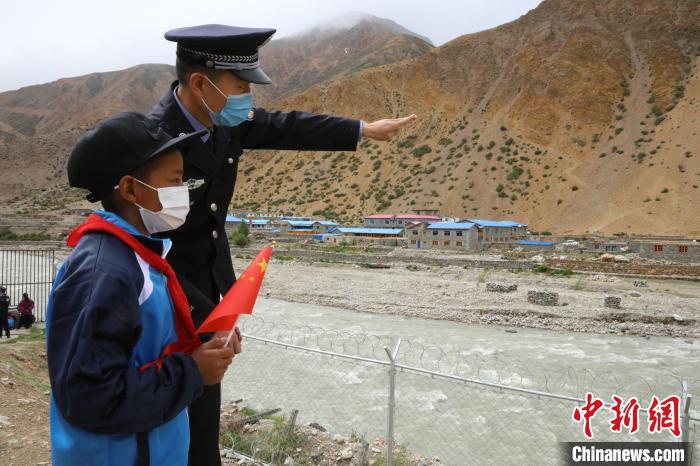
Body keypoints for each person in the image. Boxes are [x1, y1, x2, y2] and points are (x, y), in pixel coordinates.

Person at [149, 24, 417, 465]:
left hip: (211, 300)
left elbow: (286, 126)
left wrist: (362, 129)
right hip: (169, 305)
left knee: (203, 425)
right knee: (168, 418)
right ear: (201, 83)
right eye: (240, 87)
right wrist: (206, 318)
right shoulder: (156, 142)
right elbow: (151, 245)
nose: (247, 99)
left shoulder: (219, 120)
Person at [47, 112, 241, 466]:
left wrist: (205, 341)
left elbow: (148, 346)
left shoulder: (137, 256)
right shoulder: (102, 272)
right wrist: (192, 371)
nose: (184, 192)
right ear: (131, 189)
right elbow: (88, 396)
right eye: (176, 181)